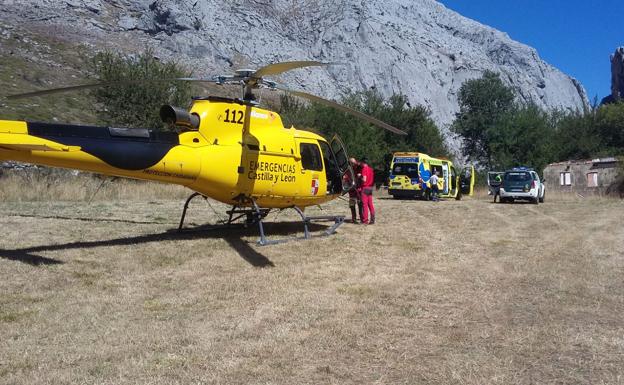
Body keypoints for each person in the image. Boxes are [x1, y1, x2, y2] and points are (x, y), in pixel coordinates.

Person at [345, 158, 363, 223]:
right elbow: (346, 177)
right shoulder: (348, 169)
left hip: (358, 188)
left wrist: (360, 176)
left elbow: (362, 168)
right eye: (351, 163)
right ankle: (354, 218)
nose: (353, 164)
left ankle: (362, 218)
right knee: (352, 204)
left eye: (354, 163)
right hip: (352, 189)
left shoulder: (359, 167)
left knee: (360, 203)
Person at [359, 157, 375, 224]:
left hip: (365, 188)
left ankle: (365, 220)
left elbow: (364, 180)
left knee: (364, 205)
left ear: (363, 162)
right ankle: (372, 219)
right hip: (370, 188)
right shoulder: (371, 169)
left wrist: (360, 176)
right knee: (370, 204)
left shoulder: (364, 169)